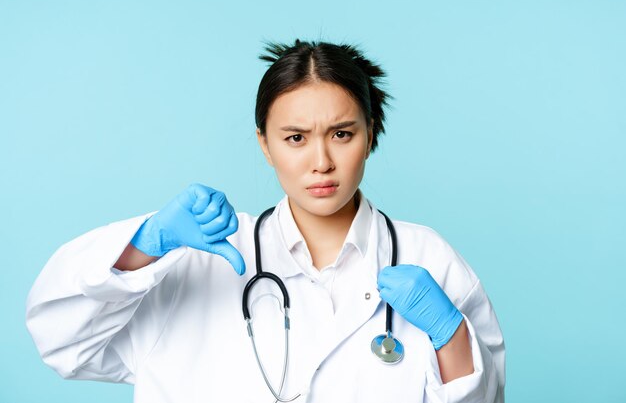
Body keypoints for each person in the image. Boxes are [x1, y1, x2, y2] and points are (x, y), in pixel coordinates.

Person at [26, 39, 505, 403]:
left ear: (370, 132)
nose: (321, 161)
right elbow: (64, 343)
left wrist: (452, 336)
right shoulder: (201, 257)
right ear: (264, 144)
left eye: (341, 133)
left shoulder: (427, 258)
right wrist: (144, 246)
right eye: (295, 138)